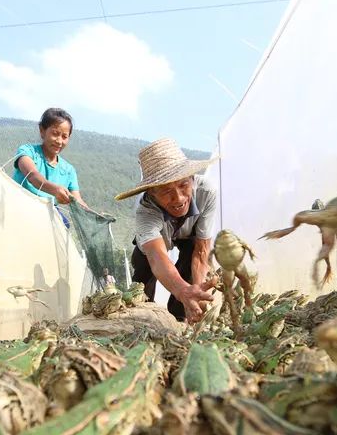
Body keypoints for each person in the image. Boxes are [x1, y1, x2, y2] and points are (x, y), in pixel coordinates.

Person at [114, 138, 217, 323]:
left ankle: (180, 317)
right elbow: (156, 255)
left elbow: (201, 251)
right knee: (143, 266)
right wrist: (182, 290)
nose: (178, 198)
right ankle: (140, 315)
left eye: (183, 185)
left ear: (192, 179)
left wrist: (197, 291)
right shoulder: (145, 210)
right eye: (165, 191)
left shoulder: (206, 192)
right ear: (151, 193)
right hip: (155, 243)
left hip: (189, 234)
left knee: (191, 250)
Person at [12, 108, 90, 227]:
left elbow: (77, 200)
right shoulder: (27, 151)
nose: (59, 141)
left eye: (64, 136)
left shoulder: (69, 171)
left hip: (47, 216)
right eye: (55, 134)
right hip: (19, 205)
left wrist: (92, 214)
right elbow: (32, 176)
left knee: (64, 224)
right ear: (42, 131)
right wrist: (54, 190)